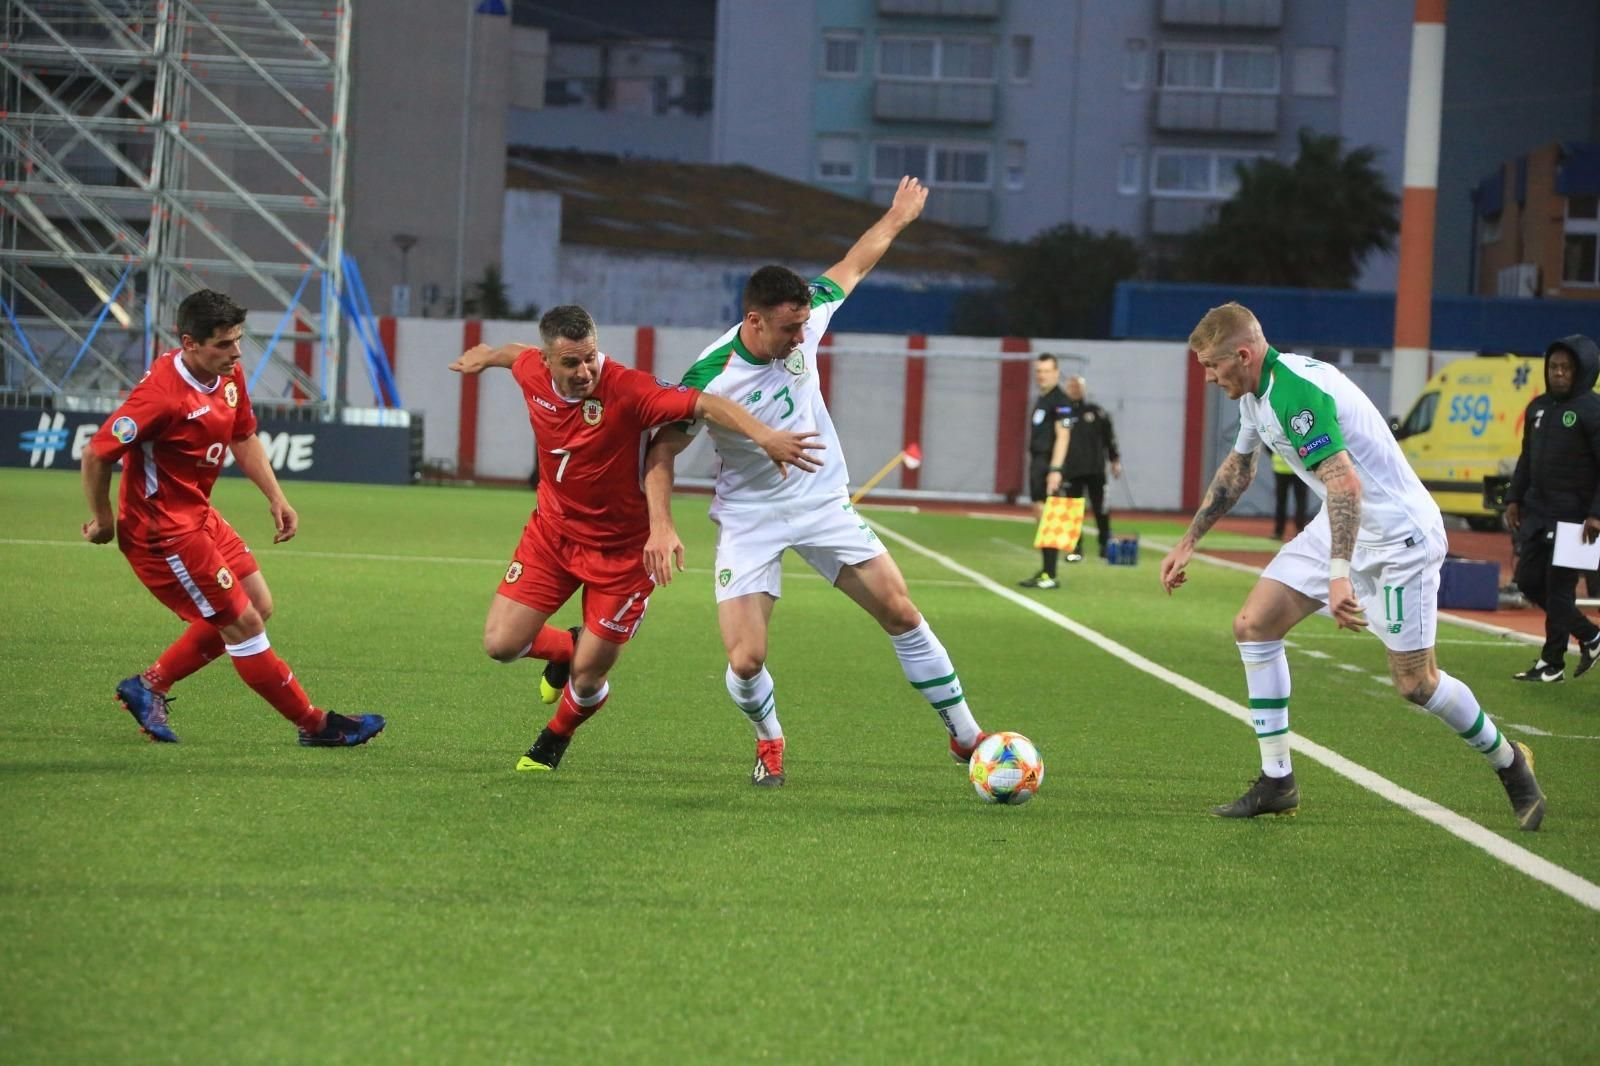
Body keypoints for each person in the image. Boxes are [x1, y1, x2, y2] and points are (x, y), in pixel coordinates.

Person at [641, 176, 988, 787]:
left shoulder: (807, 316)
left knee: (901, 611)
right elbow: (661, 450)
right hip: (750, 517)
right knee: (746, 659)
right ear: (754, 320)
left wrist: (898, 217)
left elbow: (856, 262)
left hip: (821, 503)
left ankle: (967, 736)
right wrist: (661, 526)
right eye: (789, 330)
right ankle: (769, 739)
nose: (802, 337)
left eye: (805, 324)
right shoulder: (711, 376)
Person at [1159, 302, 1545, 830]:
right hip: (1343, 523)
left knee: (1417, 683)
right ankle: (1277, 781)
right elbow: (1240, 468)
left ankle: (1511, 762)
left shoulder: (1296, 394)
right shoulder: (1255, 390)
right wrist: (1189, 541)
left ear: (1243, 356)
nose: (1208, 377)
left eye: (1211, 365)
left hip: (1398, 537)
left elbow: (1345, 484)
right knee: (1253, 625)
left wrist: (1339, 574)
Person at [449, 305, 822, 771]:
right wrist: (487, 356)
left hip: (623, 554)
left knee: (587, 678)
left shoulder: (629, 389)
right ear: (547, 362)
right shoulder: (532, 372)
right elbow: (515, 354)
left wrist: (765, 437)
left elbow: (707, 404)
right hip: (552, 536)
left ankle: (554, 738)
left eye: (590, 358)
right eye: (570, 363)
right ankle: (570, 647)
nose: (584, 372)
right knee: (500, 644)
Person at [82, 289, 385, 747]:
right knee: (244, 624)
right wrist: (103, 519)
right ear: (189, 343)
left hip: (198, 515)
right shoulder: (161, 398)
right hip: (164, 533)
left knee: (257, 603)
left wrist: (276, 497)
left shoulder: (227, 374)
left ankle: (148, 685)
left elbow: (242, 435)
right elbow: (97, 453)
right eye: (224, 344)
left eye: (238, 340)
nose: (236, 352)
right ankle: (315, 725)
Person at [1504, 334, 1600, 682]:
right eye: (1554, 367)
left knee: (1559, 590)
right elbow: (1526, 458)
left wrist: (1596, 513)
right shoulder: (1538, 408)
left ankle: (1552, 662)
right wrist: (1514, 498)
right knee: (1529, 582)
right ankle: (1590, 635)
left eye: (1566, 368)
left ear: (1582, 371)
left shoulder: (1593, 411)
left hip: (1577, 520)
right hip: (1538, 513)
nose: (1558, 373)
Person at [1019, 354, 1075, 588]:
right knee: (1040, 514)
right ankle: (1046, 571)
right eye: (1038, 371)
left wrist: (1055, 469)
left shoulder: (1061, 401)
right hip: (1038, 461)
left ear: (1056, 372)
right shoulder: (1042, 399)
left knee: (1050, 516)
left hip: (1048, 462)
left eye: (1046, 371)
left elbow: (1064, 435)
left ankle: (1050, 574)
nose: (1041, 375)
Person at [1060, 374, 1122, 560]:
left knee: (1101, 509)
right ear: (1066, 390)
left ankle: (1105, 546)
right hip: (1071, 470)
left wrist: (1115, 460)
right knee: (1072, 510)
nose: (1074, 390)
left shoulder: (1097, 412)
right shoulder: (1062, 413)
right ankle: (1074, 548)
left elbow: (1110, 438)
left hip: (1096, 470)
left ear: (1084, 389)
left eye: (1078, 386)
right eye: (1071, 387)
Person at [1270, 449, 1309, 540]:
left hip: (1287, 468)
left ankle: (1279, 532)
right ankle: (1297, 530)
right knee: (1298, 501)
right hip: (1296, 468)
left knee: (1284, 502)